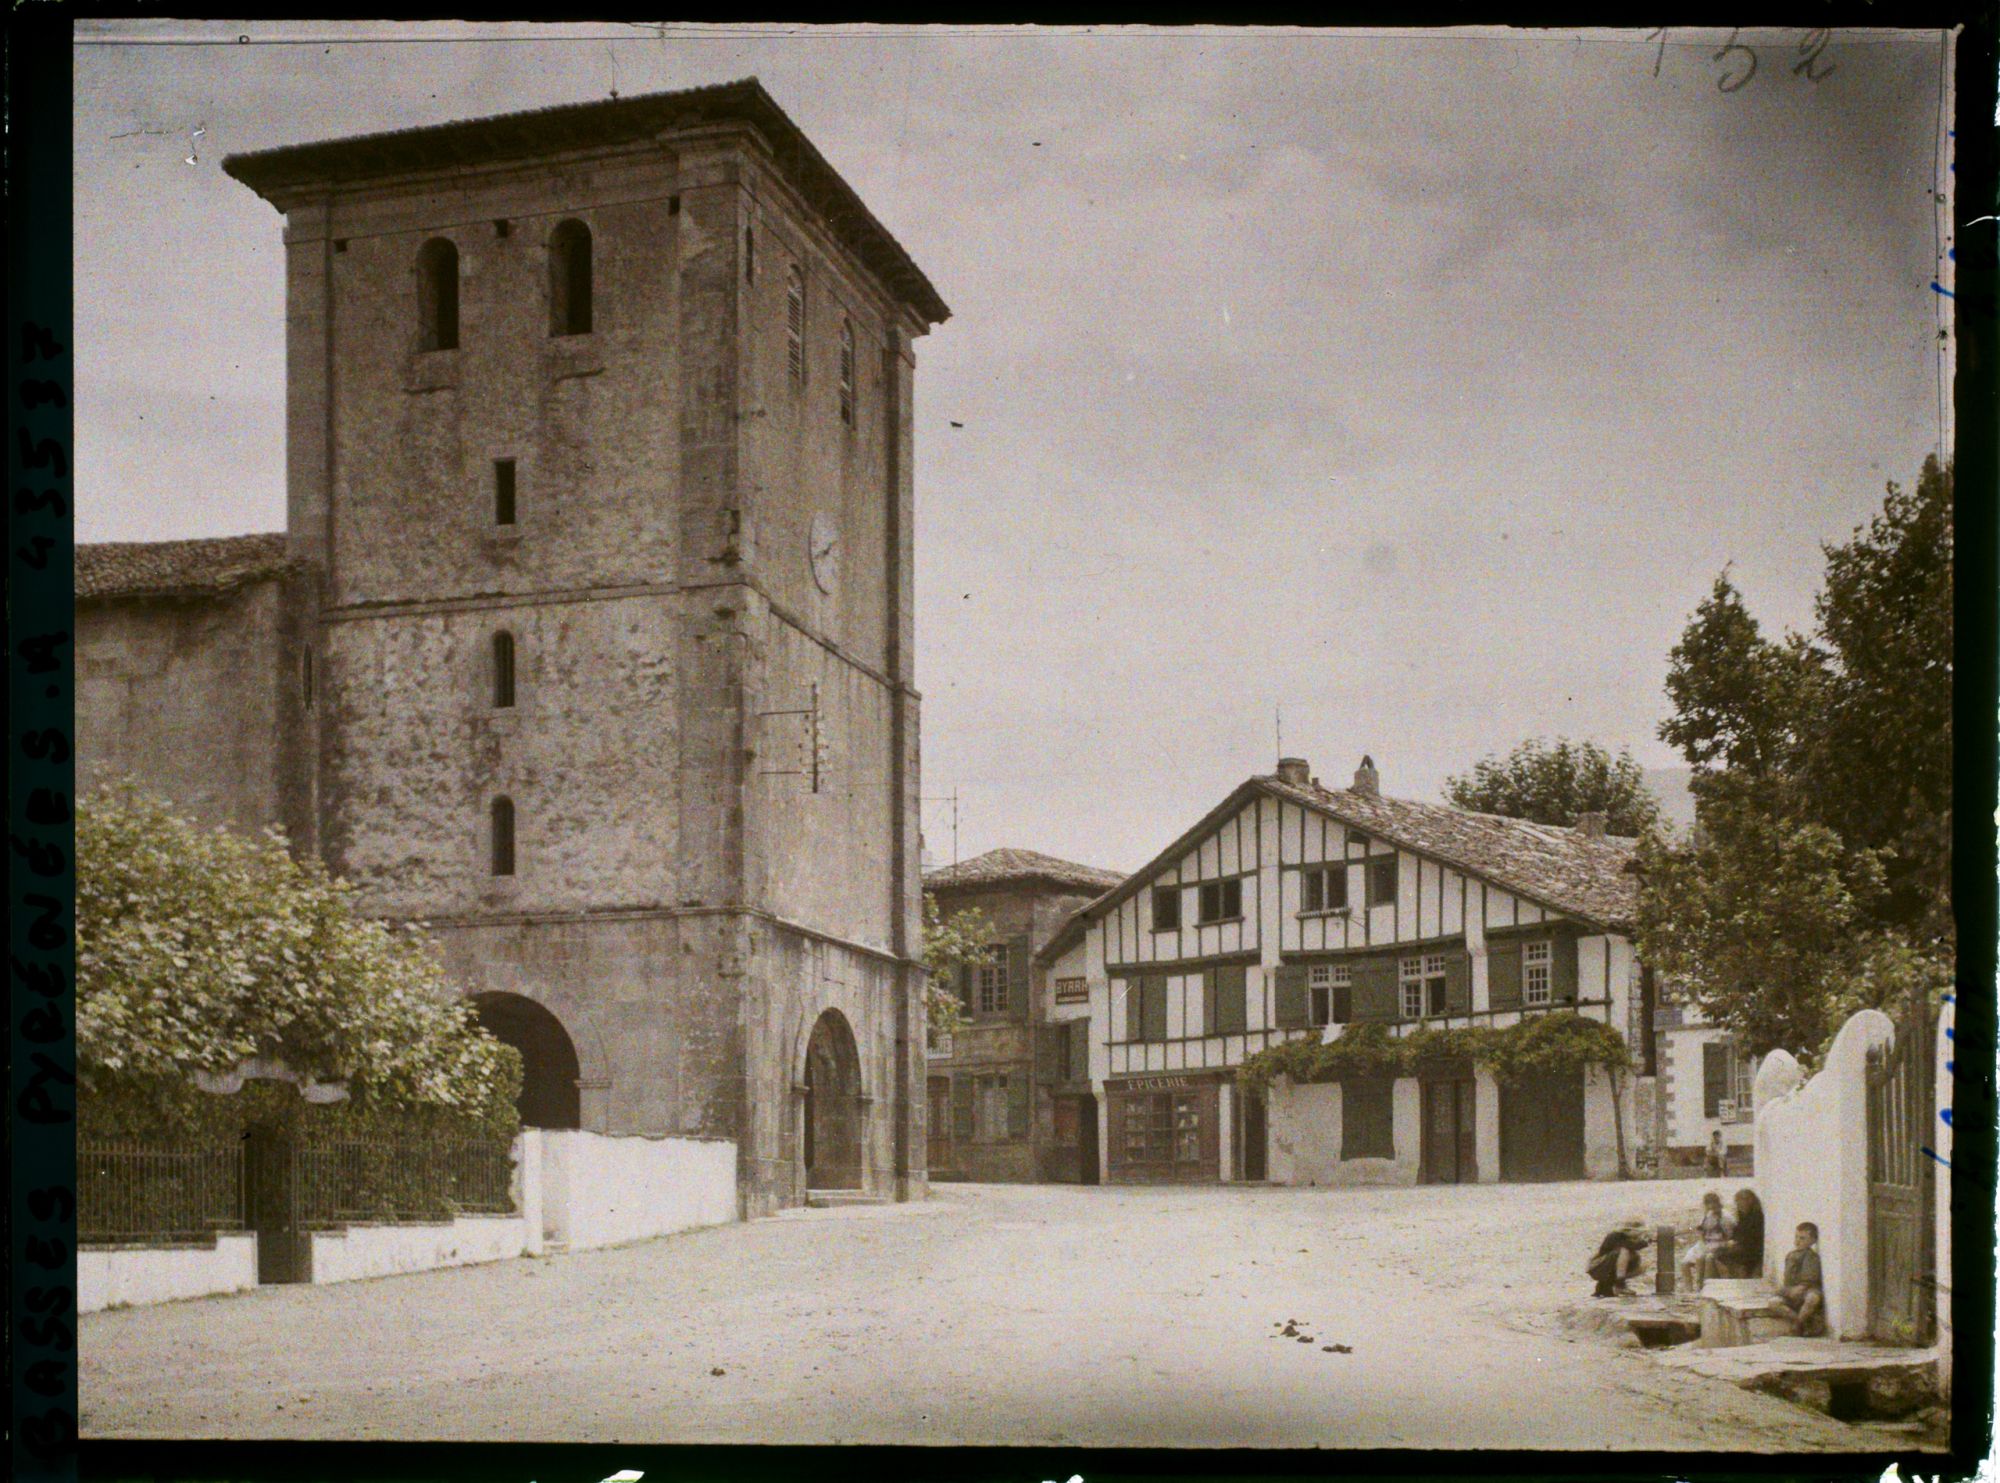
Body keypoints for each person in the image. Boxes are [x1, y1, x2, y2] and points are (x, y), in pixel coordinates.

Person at [1702, 1187, 1765, 1281]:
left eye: (1739, 1202)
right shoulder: (1743, 1216)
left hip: (1750, 1252)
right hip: (1740, 1247)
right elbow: (1737, 1233)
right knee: (1712, 1255)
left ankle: (1713, 1283)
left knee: (1713, 1256)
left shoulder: (1756, 1218)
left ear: (1748, 1202)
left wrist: (1732, 1243)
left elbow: (1750, 1239)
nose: (1737, 1205)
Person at [1777, 1222, 1826, 1336]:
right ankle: (1803, 1322)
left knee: (1812, 1298)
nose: (1797, 1241)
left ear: (1813, 1240)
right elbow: (1787, 1280)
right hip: (1792, 1290)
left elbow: (1810, 1279)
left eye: (1802, 1238)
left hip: (1807, 1289)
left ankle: (1797, 1325)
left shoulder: (1812, 1257)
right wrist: (1788, 1290)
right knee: (1774, 1302)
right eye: (1796, 1237)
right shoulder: (1790, 1255)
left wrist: (1801, 1288)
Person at [1680, 1191, 1732, 1292]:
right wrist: (1703, 1243)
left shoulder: (1726, 1218)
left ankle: (1702, 1287)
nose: (1711, 1206)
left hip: (1719, 1243)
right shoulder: (1707, 1215)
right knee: (1685, 1263)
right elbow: (1701, 1232)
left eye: (1713, 1203)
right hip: (1705, 1243)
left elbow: (1729, 1236)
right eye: (1708, 1203)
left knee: (1702, 1258)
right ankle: (1689, 1290)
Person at [1588, 1217, 1650, 1298]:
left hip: (1608, 1271)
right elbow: (1629, 1245)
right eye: (1639, 1233)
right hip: (1598, 1268)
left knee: (1640, 1263)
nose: (1639, 1235)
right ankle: (1620, 1284)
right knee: (1624, 1251)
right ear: (1628, 1231)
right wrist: (1644, 1242)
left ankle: (1613, 1285)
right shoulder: (1615, 1236)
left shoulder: (1626, 1239)